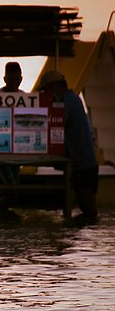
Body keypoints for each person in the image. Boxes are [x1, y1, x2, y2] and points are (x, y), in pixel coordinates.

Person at [36, 70, 99, 222]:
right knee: (86, 211)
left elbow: (53, 125)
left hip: (82, 165)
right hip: (84, 163)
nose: (46, 94)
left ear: (56, 86)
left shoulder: (67, 102)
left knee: (89, 212)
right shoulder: (73, 99)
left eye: (46, 90)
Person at [0, 61, 25, 215]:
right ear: (5, 79)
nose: (14, 82)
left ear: (21, 79)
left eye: (16, 79)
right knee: (11, 189)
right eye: (11, 79)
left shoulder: (25, 98)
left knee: (3, 187)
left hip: (16, 151)